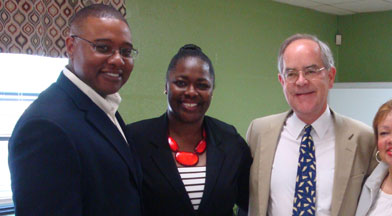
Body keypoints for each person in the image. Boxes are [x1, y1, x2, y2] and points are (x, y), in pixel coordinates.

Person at [8, 4, 141, 215]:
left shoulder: (102, 104)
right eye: (103, 47)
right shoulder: (45, 127)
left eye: (125, 51)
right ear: (70, 46)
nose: (118, 60)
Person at [246, 34, 377, 216]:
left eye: (311, 71)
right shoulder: (258, 132)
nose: (301, 81)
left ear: (330, 76)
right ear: (282, 81)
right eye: (291, 74)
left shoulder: (364, 138)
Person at [127, 44, 252, 215]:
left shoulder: (231, 141)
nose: (191, 92)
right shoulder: (135, 139)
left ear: (212, 91)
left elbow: (250, 202)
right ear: (166, 86)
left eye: (202, 85)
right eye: (181, 83)